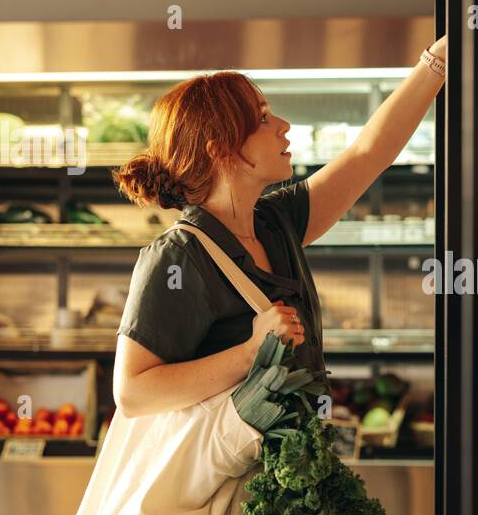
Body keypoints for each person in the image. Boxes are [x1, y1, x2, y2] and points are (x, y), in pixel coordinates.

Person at [110, 36, 447, 418]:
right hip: (230, 477)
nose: (284, 126)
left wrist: (437, 60)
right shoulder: (177, 257)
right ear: (219, 149)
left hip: (286, 473)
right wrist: (251, 352)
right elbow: (133, 392)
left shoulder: (276, 222)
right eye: (263, 118)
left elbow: (368, 154)